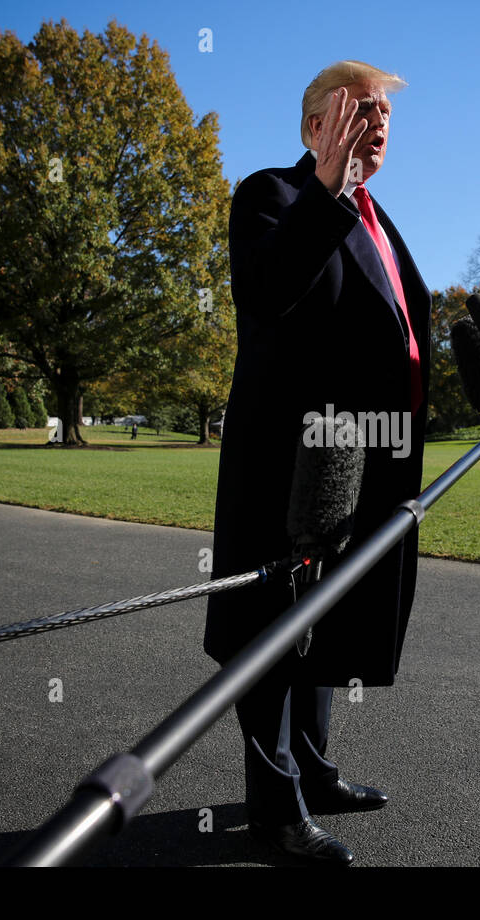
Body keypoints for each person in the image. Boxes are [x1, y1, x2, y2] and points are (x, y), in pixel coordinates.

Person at [202, 60, 430, 866]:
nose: (376, 124)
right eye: (358, 109)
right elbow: (267, 293)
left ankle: (318, 772)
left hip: (365, 459)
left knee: (329, 621)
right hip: (287, 464)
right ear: (314, 127)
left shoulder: (380, 219)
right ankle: (275, 808)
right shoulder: (272, 195)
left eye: (386, 115)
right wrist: (325, 191)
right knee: (271, 631)